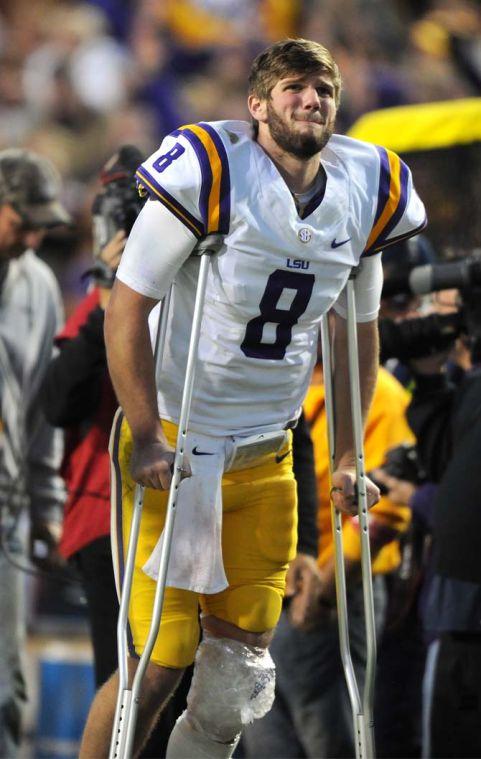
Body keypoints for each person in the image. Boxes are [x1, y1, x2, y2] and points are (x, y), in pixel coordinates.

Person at [80, 38, 426, 759]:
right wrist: (144, 432)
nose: (312, 99)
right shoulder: (213, 166)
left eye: (324, 88)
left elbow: (355, 329)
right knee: (159, 660)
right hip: (176, 444)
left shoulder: (367, 182)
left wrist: (345, 456)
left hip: (266, 452)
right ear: (257, 104)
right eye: (294, 87)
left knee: (236, 682)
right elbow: (125, 305)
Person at [242, 359, 414, 758]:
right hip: (261, 596)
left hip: (329, 596)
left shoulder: (377, 394)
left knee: (328, 739)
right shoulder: (273, 385)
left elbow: (384, 509)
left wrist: (326, 588)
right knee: (267, 743)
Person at [0, 148, 70, 757]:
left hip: (5, 514)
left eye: (38, 222)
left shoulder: (39, 284)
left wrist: (49, 504)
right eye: (19, 218)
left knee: (5, 688)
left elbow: (43, 409)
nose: (30, 235)